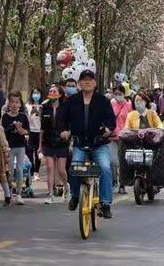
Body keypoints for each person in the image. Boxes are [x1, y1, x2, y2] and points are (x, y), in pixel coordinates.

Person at [60, 70, 116, 218]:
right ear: (79, 83)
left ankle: (105, 203)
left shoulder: (102, 100)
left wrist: (108, 129)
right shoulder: (71, 101)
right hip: (79, 143)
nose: (87, 82)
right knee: (74, 167)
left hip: (99, 143)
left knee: (105, 168)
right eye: (84, 80)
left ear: (95, 83)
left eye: (90, 80)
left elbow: (111, 120)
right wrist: (64, 130)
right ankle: (75, 195)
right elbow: (62, 119)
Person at [124, 91, 164, 203]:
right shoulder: (131, 115)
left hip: (152, 144)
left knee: (161, 161)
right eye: (136, 100)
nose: (138, 103)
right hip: (137, 145)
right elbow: (126, 128)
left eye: (140, 100)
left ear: (146, 102)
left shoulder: (152, 113)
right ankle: (124, 180)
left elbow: (159, 125)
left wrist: (158, 130)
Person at [39, 84, 70, 204]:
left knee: (61, 169)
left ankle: (66, 187)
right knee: (50, 167)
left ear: (60, 94)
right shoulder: (45, 107)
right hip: (48, 141)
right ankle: (50, 194)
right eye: (50, 91)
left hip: (62, 142)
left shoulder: (66, 107)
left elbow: (70, 124)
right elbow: (42, 128)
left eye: (54, 91)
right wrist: (40, 146)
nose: (52, 93)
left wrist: (68, 132)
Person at [1, 91, 29, 205]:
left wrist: (20, 130)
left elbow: (27, 132)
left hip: (20, 146)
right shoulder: (5, 117)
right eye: (12, 102)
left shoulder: (23, 116)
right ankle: (9, 194)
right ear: (8, 103)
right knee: (10, 171)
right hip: (9, 147)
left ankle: (18, 194)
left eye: (17, 102)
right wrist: (11, 126)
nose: (14, 104)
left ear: (20, 104)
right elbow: (2, 132)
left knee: (20, 170)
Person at [110, 85, 132, 194]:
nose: (118, 96)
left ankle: (122, 184)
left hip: (124, 137)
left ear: (124, 94)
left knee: (123, 161)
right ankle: (114, 180)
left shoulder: (129, 105)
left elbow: (132, 119)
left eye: (120, 93)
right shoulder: (110, 104)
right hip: (112, 137)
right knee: (113, 161)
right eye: (116, 93)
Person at [26, 88, 42, 181]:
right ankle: (31, 171)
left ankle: (37, 172)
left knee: (38, 153)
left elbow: (44, 119)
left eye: (38, 93)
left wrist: (39, 113)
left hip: (39, 132)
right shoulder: (28, 105)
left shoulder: (43, 105)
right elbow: (26, 120)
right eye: (34, 93)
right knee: (29, 152)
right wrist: (31, 112)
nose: (36, 95)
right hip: (30, 131)